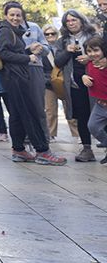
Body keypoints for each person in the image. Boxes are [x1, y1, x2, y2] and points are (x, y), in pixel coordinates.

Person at [0, 1, 65, 165]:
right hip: (16, 77)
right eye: (12, 14)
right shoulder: (5, 31)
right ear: (6, 16)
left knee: (18, 114)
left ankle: (19, 149)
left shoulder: (13, 31)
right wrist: (27, 58)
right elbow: (3, 53)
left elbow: (11, 52)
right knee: (31, 113)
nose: (15, 18)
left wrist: (28, 51)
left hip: (16, 76)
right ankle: (42, 151)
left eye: (18, 15)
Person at [55, 9, 97, 162]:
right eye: (68, 21)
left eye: (74, 20)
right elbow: (58, 62)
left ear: (81, 20)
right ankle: (86, 149)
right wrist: (67, 51)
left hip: (96, 82)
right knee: (81, 116)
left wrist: (89, 57)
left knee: (101, 116)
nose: (71, 23)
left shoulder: (93, 37)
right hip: (75, 85)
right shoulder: (63, 41)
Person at [79, 37, 107, 163]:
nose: (93, 54)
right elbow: (87, 74)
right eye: (89, 51)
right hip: (100, 104)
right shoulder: (89, 64)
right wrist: (84, 77)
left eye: (96, 50)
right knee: (92, 126)